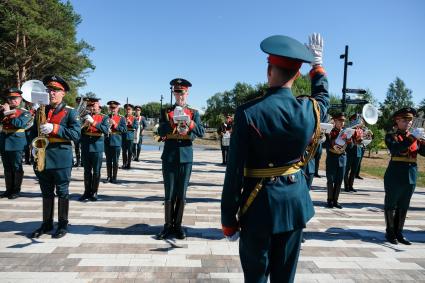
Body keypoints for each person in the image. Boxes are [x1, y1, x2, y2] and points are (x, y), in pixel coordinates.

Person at [221, 33, 329, 283]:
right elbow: (323, 99)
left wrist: (228, 217)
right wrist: (318, 65)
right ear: (297, 74)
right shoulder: (309, 109)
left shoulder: (248, 112)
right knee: (285, 278)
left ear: (269, 70)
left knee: (256, 277)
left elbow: (234, 171)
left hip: (257, 205)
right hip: (294, 204)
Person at [30, 75, 81, 238]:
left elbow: (76, 134)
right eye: (49, 90)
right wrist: (32, 146)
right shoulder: (40, 110)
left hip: (60, 158)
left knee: (62, 191)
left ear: (63, 93)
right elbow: (32, 133)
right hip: (42, 156)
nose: (51, 93)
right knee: (45, 192)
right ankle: (46, 223)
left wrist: (55, 128)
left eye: (56, 90)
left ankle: (62, 224)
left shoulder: (70, 112)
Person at [156, 78, 205, 240]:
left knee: (181, 193)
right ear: (173, 93)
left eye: (182, 92)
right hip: (170, 156)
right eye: (176, 92)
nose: (179, 95)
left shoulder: (194, 113)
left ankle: (178, 225)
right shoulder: (165, 111)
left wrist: (190, 123)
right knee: (169, 192)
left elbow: (201, 132)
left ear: (187, 93)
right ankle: (167, 225)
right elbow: (160, 132)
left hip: (185, 156)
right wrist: (171, 122)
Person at [383, 107, 425, 245]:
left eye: (410, 120)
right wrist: (413, 137)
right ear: (397, 121)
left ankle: (399, 232)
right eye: (405, 120)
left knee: (404, 205)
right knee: (391, 204)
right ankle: (390, 232)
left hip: (411, 174)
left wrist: (423, 141)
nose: (408, 123)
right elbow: (396, 149)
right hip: (395, 174)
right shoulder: (391, 135)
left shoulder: (415, 136)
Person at [0, 88, 32, 199]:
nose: (12, 100)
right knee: (7, 167)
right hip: (4, 141)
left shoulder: (25, 112)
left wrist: (8, 113)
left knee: (16, 166)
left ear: (20, 99)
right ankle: (8, 189)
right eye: (10, 98)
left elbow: (19, 124)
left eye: (15, 98)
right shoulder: (2, 109)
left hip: (16, 142)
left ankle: (16, 190)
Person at [78, 98, 109, 201]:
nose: (92, 108)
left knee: (96, 171)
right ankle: (87, 192)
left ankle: (94, 192)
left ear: (98, 106)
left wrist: (94, 122)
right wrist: (83, 124)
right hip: (86, 146)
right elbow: (78, 131)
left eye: (94, 106)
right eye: (90, 106)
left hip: (97, 147)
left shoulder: (104, 118)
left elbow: (105, 130)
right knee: (87, 171)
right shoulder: (84, 116)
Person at [324, 113, 347, 209]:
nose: (342, 123)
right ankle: (329, 200)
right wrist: (333, 145)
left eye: (343, 121)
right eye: (340, 121)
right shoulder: (330, 132)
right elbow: (326, 144)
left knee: (339, 180)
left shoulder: (346, 132)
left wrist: (349, 140)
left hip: (342, 158)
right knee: (330, 180)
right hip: (332, 158)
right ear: (335, 121)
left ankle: (335, 200)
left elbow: (350, 146)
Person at [104, 101, 127, 183]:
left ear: (118, 108)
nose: (113, 109)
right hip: (107, 140)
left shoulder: (122, 118)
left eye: (114, 108)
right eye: (111, 108)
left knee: (115, 161)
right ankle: (108, 176)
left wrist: (115, 124)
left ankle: (114, 177)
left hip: (116, 141)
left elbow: (124, 130)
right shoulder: (106, 117)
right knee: (108, 160)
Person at [344, 113, 364, 192]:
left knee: (354, 170)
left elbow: (362, 140)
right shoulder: (348, 128)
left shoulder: (361, 130)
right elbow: (345, 138)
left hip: (358, 151)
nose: (359, 121)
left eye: (359, 119)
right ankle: (346, 186)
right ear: (352, 120)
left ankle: (351, 185)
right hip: (349, 151)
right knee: (347, 169)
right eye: (356, 119)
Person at [121, 104, 138, 169]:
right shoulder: (122, 118)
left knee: (130, 151)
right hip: (123, 136)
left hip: (130, 136)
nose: (128, 111)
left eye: (129, 109)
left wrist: (130, 123)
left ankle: (129, 164)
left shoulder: (134, 118)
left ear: (132, 110)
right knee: (124, 151)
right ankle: (124, 164)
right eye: (126, 109)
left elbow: (136, 127)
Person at [73, 96, 83, 167]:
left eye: (80, 101)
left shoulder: (85, 110)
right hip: (76, 130)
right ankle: (78, 161)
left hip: (83, 130)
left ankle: (82, 161)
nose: (79, 102)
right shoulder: (74, 110)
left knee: (82, 147)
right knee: (76, 147)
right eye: (78, 101)